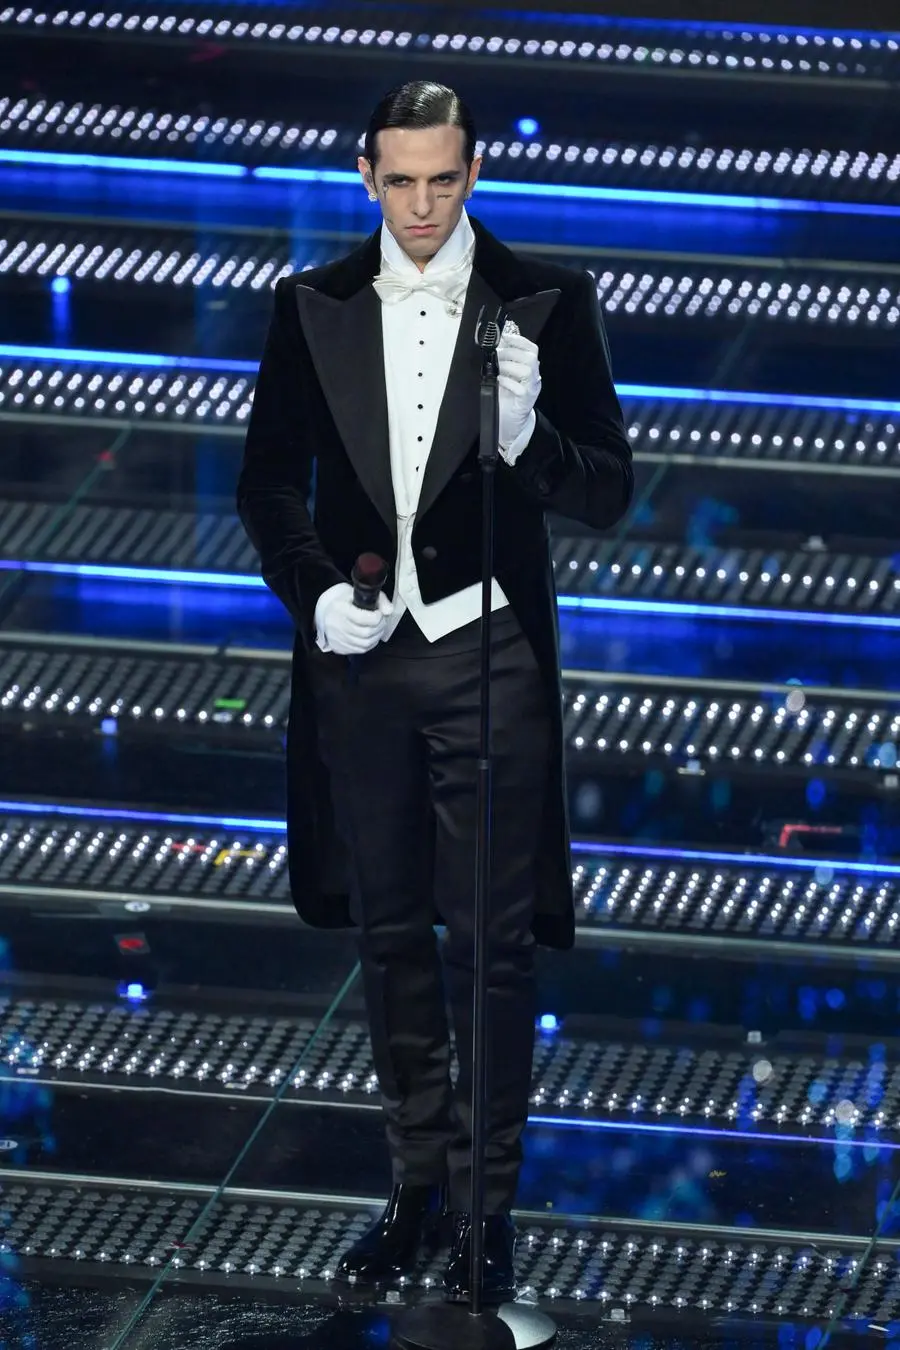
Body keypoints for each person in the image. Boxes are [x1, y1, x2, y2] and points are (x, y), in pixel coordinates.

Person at [236, 80, 632, 1303]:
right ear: (366, 176)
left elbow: (610, 490)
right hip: (364, 660)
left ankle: (487, 1211)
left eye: (442, 180)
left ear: (472, 177)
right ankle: (415, 1191)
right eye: (399, 181)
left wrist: (526, 440)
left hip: (488, 656)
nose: (421, 204)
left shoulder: (544, 299)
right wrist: (311, 592)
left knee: (490, 949)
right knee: (390, 931)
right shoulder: (311, 306)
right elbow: (268, 484)